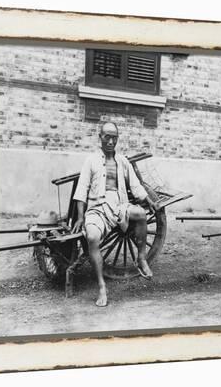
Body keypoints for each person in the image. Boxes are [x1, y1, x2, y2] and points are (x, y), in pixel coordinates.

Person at [72, 122, 157, 307]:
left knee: (141, 213)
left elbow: (135, 185)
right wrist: (80, 217)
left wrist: (146, 198)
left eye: (114, 138)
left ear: (117, 139)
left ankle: (141, 258)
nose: (110, 141)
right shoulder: (91, 160)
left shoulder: (123, 161)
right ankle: (102, 286)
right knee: (92, 237)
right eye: (107, 137)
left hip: (120, 205)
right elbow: (82, 189)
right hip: (98, 207)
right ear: (100, 137)